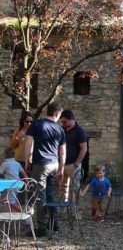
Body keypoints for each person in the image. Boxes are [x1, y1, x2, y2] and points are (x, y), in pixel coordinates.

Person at [24, 102, 66, 237]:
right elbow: (63, 151)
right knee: (51, 195)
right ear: (56, 114)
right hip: (54, 164)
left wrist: (26, 161)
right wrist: (62, 169)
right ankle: (54, 224)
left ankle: (41, 228)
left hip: (41, 164)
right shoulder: (60, 129)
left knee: (39, 195)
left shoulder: (37, 124)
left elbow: (28, 141)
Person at [59, 109, 88, 202]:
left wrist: (76, 163)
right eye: (62, 122)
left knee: (75, 189)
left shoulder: (80, 131)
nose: (62, 123)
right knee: (62, 188)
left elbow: (84, 149)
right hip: (63, 164)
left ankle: (76, 212)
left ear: (71, 119)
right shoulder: (62, 129)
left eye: (64, 121)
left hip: (73, 165)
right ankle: (63, 210)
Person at [0, 147, 28, 211]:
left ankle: (23, 212)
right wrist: (28, 183)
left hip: (11, 185)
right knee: (10, 199)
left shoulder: (5, 164)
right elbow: (24, 174)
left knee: (8, 200)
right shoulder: (17, 163)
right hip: (18, 184)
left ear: (5, 154)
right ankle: (7, 216)